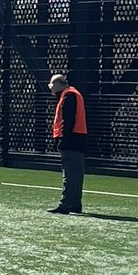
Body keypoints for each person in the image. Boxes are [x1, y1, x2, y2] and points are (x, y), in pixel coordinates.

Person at [48, 73, 88, 214]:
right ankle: (75, 204)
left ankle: (66, 204)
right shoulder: (71, 94)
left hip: (71, 140)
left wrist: (63, 140)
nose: (50, 87)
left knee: (70, 174)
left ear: (59, 84)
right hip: (77, 139)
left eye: (52, 84)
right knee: (75, 174)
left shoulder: (68, 95)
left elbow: (68, 120)